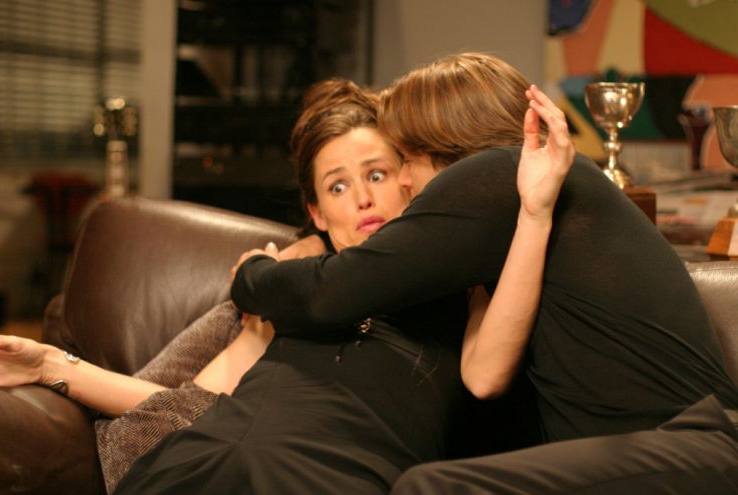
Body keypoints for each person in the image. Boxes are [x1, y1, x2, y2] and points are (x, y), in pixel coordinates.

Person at [229, 53, 738, 493]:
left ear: (445, 143)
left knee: (432, 488)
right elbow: (482, 376)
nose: (403, 181)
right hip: (649, 453)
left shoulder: (496, 174)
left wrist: (252, 273)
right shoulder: (514, 208)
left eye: (406, 158)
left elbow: (334, 291)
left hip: (688, 449)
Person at [109, 72, 573, 494]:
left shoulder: (460, 282)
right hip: (208, 464)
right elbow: (181, 400)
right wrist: (65, 370)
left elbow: (488, 375)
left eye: (377, 174)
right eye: (337, 187)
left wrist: (535, 214)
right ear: (317, 213)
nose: (363, 199)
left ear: (409, 179)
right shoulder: (290, 282)